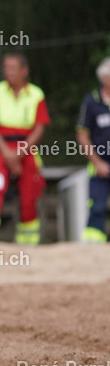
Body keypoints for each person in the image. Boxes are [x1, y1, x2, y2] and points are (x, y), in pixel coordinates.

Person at [0, 53, 49, 246]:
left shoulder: (37, 94)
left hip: (27, 150)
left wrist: (20, 153)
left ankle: (28, 243)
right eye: (6, 68)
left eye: (13, 68)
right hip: (0, 149)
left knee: (30, 196)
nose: (8, 72)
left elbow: (39, 127)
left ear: (24, 70)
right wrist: (7, 153)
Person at [76, 58, 110, 244]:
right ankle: (93, 246)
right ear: (104, 78)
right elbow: (82, 134)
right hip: (100, 163)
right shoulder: (91, 101)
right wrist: (97, 162)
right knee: (96, 206)